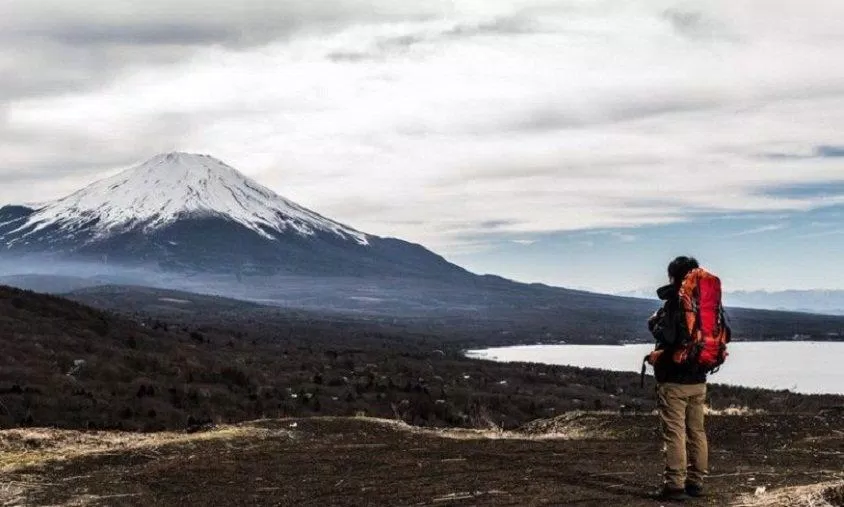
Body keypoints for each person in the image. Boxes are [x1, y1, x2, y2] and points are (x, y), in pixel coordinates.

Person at [647, 256, 708, 502]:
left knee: (675, 433)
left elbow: (670, 337)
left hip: (674, 380)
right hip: (699, 378)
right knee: (697, 431)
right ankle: (696, 481)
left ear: (673, 276)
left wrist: (653, 324)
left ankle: (674, 485)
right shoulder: (705, 301)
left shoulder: (676, 302)